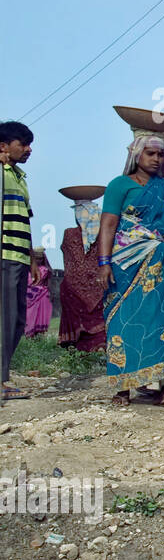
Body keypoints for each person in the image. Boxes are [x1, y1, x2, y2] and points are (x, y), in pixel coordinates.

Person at [97, 135, 164, 407]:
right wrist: (103, 263)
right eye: (150, 153)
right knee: (122, 321)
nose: (156, 159)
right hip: (125, 264)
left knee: (160, 322)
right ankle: (122, 389)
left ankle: (160, 388)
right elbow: (108, 224)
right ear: (136, 155)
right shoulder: (119, 185)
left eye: (160, 155)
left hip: (161, 267)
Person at [0, 121, 34, 400]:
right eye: (22, 144)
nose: (28, 149)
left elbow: (26, 220)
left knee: (17, 320)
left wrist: (32, 259)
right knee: (5, 318)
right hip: (5, 255)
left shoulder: (20, 178)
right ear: (3, 147)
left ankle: (4, 375)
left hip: (20, 257)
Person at [58, 196, 107, 352]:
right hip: (100, 284)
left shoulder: (69, 233)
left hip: (73, 287)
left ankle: (80, 349)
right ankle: (99, 348)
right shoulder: (104, 236)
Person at [24, 248, 53, 337]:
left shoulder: (45, 270)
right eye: (36, 258)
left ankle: (38, 335)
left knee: (39, 316)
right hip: (29, 295)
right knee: (29, 316)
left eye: (40, 258)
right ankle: (28, 334)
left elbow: (48, 283)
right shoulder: (27, 269)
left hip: (41, 294)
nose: (38, 260)